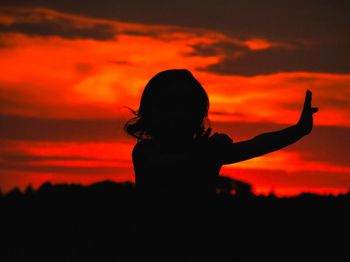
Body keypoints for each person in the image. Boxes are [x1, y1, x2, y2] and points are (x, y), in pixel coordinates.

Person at [124, 69, 319, 198]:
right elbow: (170, 165)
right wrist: (204, 152)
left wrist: (298, 130)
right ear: (149, 113)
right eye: (169, 106)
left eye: (187, 106)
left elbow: (256, 145)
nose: (178, 114)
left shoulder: (207, 151)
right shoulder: (145, 152)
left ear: (199, 114)